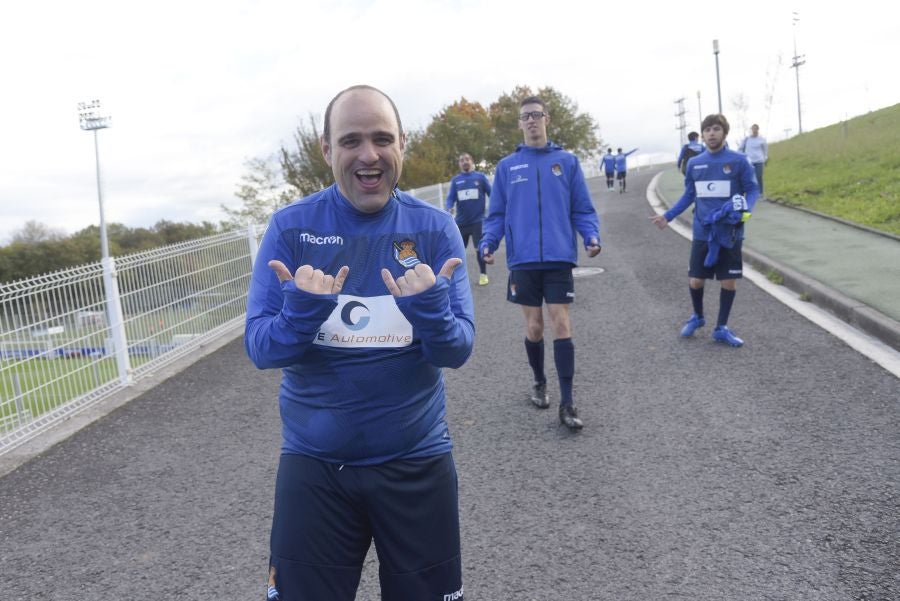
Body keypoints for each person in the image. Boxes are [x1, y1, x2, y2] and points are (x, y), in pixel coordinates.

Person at [245, 84, 474, 601]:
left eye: (382, 139)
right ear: (327, 150)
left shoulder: (435, 230)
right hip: (315, 469)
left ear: (402, 144)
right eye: (351, 141)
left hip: (417, 463)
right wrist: (301, 312)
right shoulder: (291, 228)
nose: (368, 155)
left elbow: (456, 350)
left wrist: (430, 312)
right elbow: (261, 348)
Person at [479, 96, 601, 431]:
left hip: (559, 256)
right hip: (523, 260)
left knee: (561, 323)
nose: (531, 120)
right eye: (525, 116)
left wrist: (591, 236)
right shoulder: (507, 167)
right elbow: (497, 214)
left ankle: (567, 402)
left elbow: (582, 208)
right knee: (534, 327)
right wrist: (488, 243)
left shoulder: (567, 162)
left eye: (536, 114)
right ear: (520, 124)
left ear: (546, 119)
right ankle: (539, 381)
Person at [650, 113, 759, 347]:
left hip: (729, 232)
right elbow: (689, 194)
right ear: (702, 135)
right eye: (707, 130)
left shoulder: (739, 161)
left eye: (716, 129)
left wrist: (745, 210)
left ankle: (721, 328)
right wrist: (668, 216)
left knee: (728, 281)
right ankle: (698, 316)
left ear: (725, 133)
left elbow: (752, 190)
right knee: (696, 281)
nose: (711, 133)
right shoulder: (694, 163)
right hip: (703, 231)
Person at [445, 152, 492, 285]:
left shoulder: (480, 177)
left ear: (472, 161)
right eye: (461, 160)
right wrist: (449, 207)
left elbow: (492, 194)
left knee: (479, 249)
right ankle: (455, 279)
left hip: (478, 222)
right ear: (459, 164)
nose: (464, 161)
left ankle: (483, 275)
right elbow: (450, 198)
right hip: (461, 223)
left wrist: (495, 211)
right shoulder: (456, 180)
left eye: (467, 159)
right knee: (457, 251)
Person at [738, 123, 769, 196]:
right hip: (749, 161)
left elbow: (765, 150)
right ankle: (750, 192)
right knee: (749, 177)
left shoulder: (762, 139)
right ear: (751, 130)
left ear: (758, 130)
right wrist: (741, 157)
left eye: (756, 129)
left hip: (759, 161)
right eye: (753, 129)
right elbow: (740, 148)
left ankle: (760, 192)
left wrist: (765, 158)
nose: (754, 130)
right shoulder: (747, 139)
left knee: (759, 176)